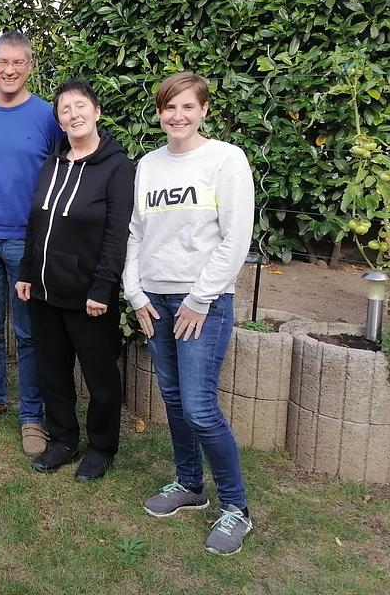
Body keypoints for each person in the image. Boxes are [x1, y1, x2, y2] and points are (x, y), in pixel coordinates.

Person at [122, 71, 255, 555]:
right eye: (169, 107)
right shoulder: (148, 165)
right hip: (155, 301)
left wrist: (200, 299)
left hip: (203, 303)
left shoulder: (225, 160)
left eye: (187, 107)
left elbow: (235, 239)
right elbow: (135, 233)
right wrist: (135, 294)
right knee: (175, 400)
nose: (177, 116)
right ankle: (189, 485)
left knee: (199, 407)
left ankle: (236, 508)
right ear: (159, 113)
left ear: (203, 110)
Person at [15, 79, 134, 481]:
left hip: (89, 296)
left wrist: (103, 287)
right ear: (60, 121)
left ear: (96, 111)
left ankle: (102, 447)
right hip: (45, 291)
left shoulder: (117, 167)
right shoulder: (53, 163)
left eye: (80, 106)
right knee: (53, 372)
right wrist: (27, 271)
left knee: (100, 377)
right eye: (64, 109)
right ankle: (64, 440)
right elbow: (36, 222)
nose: (73, 114)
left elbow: (117, 234)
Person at [0, 31, 63, 456]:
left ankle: (32, 414)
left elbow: (58, 175)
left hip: (27, 242)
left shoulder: (47, 117)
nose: (9, 69)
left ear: (29, 67)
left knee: (29, 331)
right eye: (3, 61)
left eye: (18, 62)